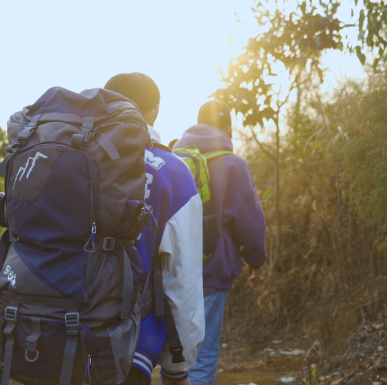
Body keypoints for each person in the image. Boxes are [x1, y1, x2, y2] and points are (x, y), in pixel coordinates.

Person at [104, 73, 205, 385]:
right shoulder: (173, 173)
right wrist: (178, 366)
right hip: (128, 348)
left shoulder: (72, 159)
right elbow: (182, 280)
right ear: (155, 111)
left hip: (52, 338)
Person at [174, 100, 267, 385]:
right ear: (227, 128)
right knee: (203, 355)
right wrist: (255, 259)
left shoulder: (173, 161)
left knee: (173, 358)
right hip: (213, 271)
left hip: (172, 272)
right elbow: (249, 220)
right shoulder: (233, 165)